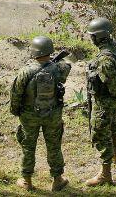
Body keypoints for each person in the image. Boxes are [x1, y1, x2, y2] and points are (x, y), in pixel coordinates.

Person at [10, 36, 71, 192]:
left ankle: (26, 180)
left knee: (28, 147)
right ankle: (57, 180)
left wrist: (15, 110)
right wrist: (53, 62)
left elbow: (16, 94)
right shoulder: (58, 68)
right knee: (54, 146)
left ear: (33, 52)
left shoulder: (26, 71)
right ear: (50, 51)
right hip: (53, 115)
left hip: (29, 116)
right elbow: (67, 66)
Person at [85, 17, 116, 187]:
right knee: (113, 125)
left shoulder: (105, 59)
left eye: (92, 36)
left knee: (100, 132)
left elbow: (109, 82)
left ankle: (105, 174)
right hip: (111, 98)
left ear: (98, 37)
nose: (91, 38)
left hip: (104, 99)